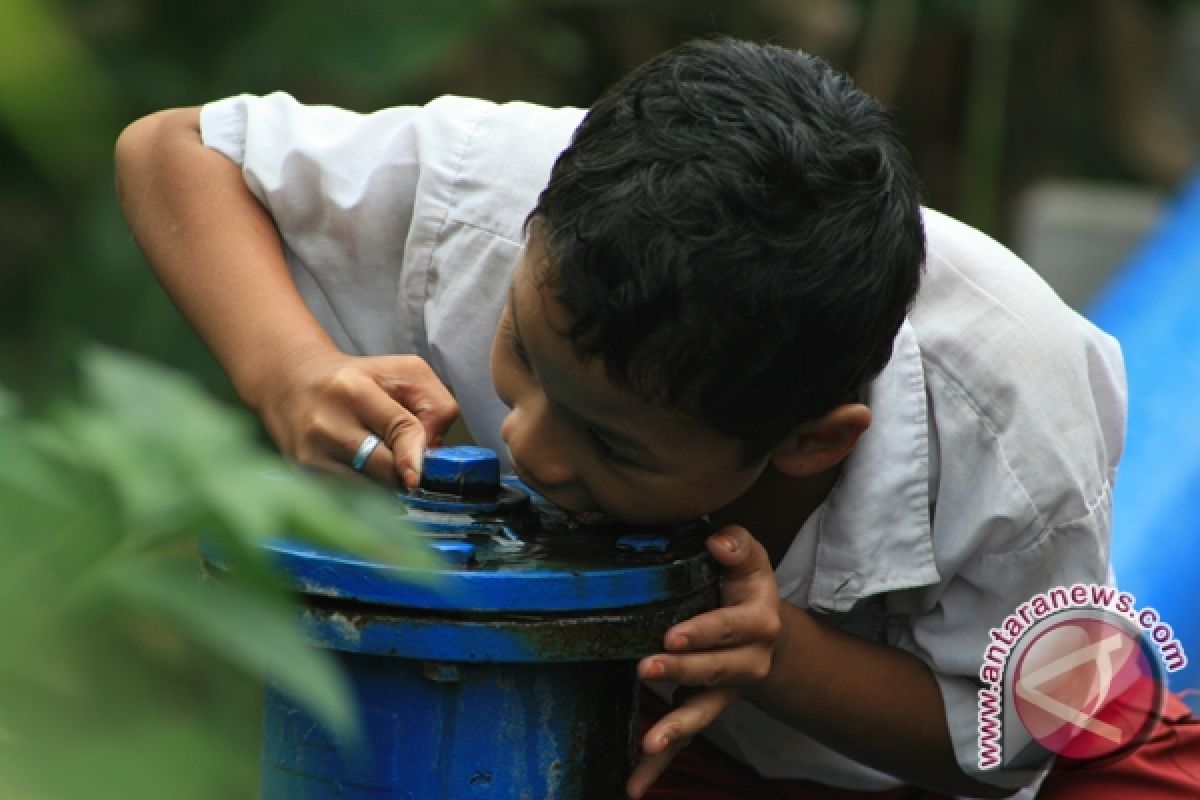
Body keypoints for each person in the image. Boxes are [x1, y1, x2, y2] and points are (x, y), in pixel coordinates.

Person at [115, 37, 1198, 799]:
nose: (531, 444)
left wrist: (787, 661)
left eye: (616, 441)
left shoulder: (1011, 414)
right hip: (631, 733)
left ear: (813, 439)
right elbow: (174, 150)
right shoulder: (497, 197)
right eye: (521, 361)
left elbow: (1022, 734)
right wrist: (290, 369)